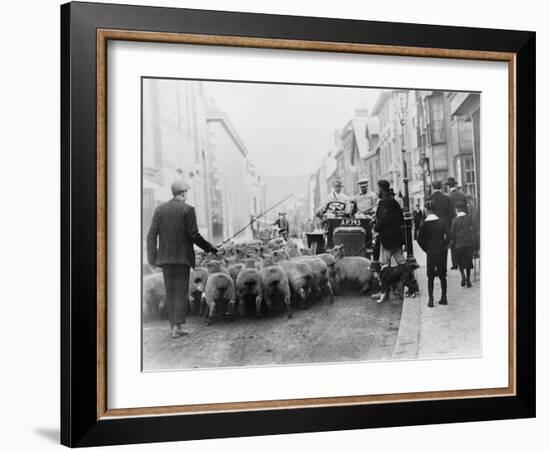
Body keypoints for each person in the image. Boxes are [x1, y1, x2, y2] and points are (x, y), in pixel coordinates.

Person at [146, 179, 218, 338]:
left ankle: (174, 325)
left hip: (165, 260)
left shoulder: (160, 209)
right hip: (182, 259)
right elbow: (194, 235)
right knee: (180, 292)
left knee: (170, 292)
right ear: (184, 193)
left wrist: (152, 259)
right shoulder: (188, 210)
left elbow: (151, 236)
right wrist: (210, 248)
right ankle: (176, 327)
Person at [417, 200, 450, 307]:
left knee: (430, 276)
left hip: (430, 252)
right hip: (441, 251)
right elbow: (449, 235)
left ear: (426, 210)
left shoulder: (424, 224)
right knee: (442, 275)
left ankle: (431, 299)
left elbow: (419, 239)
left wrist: (426, 248)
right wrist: (444, 245)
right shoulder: (442, 222)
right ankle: (444, 297)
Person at [449, 201, 476, 288]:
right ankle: (468, 280)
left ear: (457, 210)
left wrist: (452, 244)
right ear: (463, 209)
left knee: (460, 262)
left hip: (458, 245)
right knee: (468, 262)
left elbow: (452, 234)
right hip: (468, 244)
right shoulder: (468, 218)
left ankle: (462, 275)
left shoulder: (454, 221)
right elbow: (473, 230)